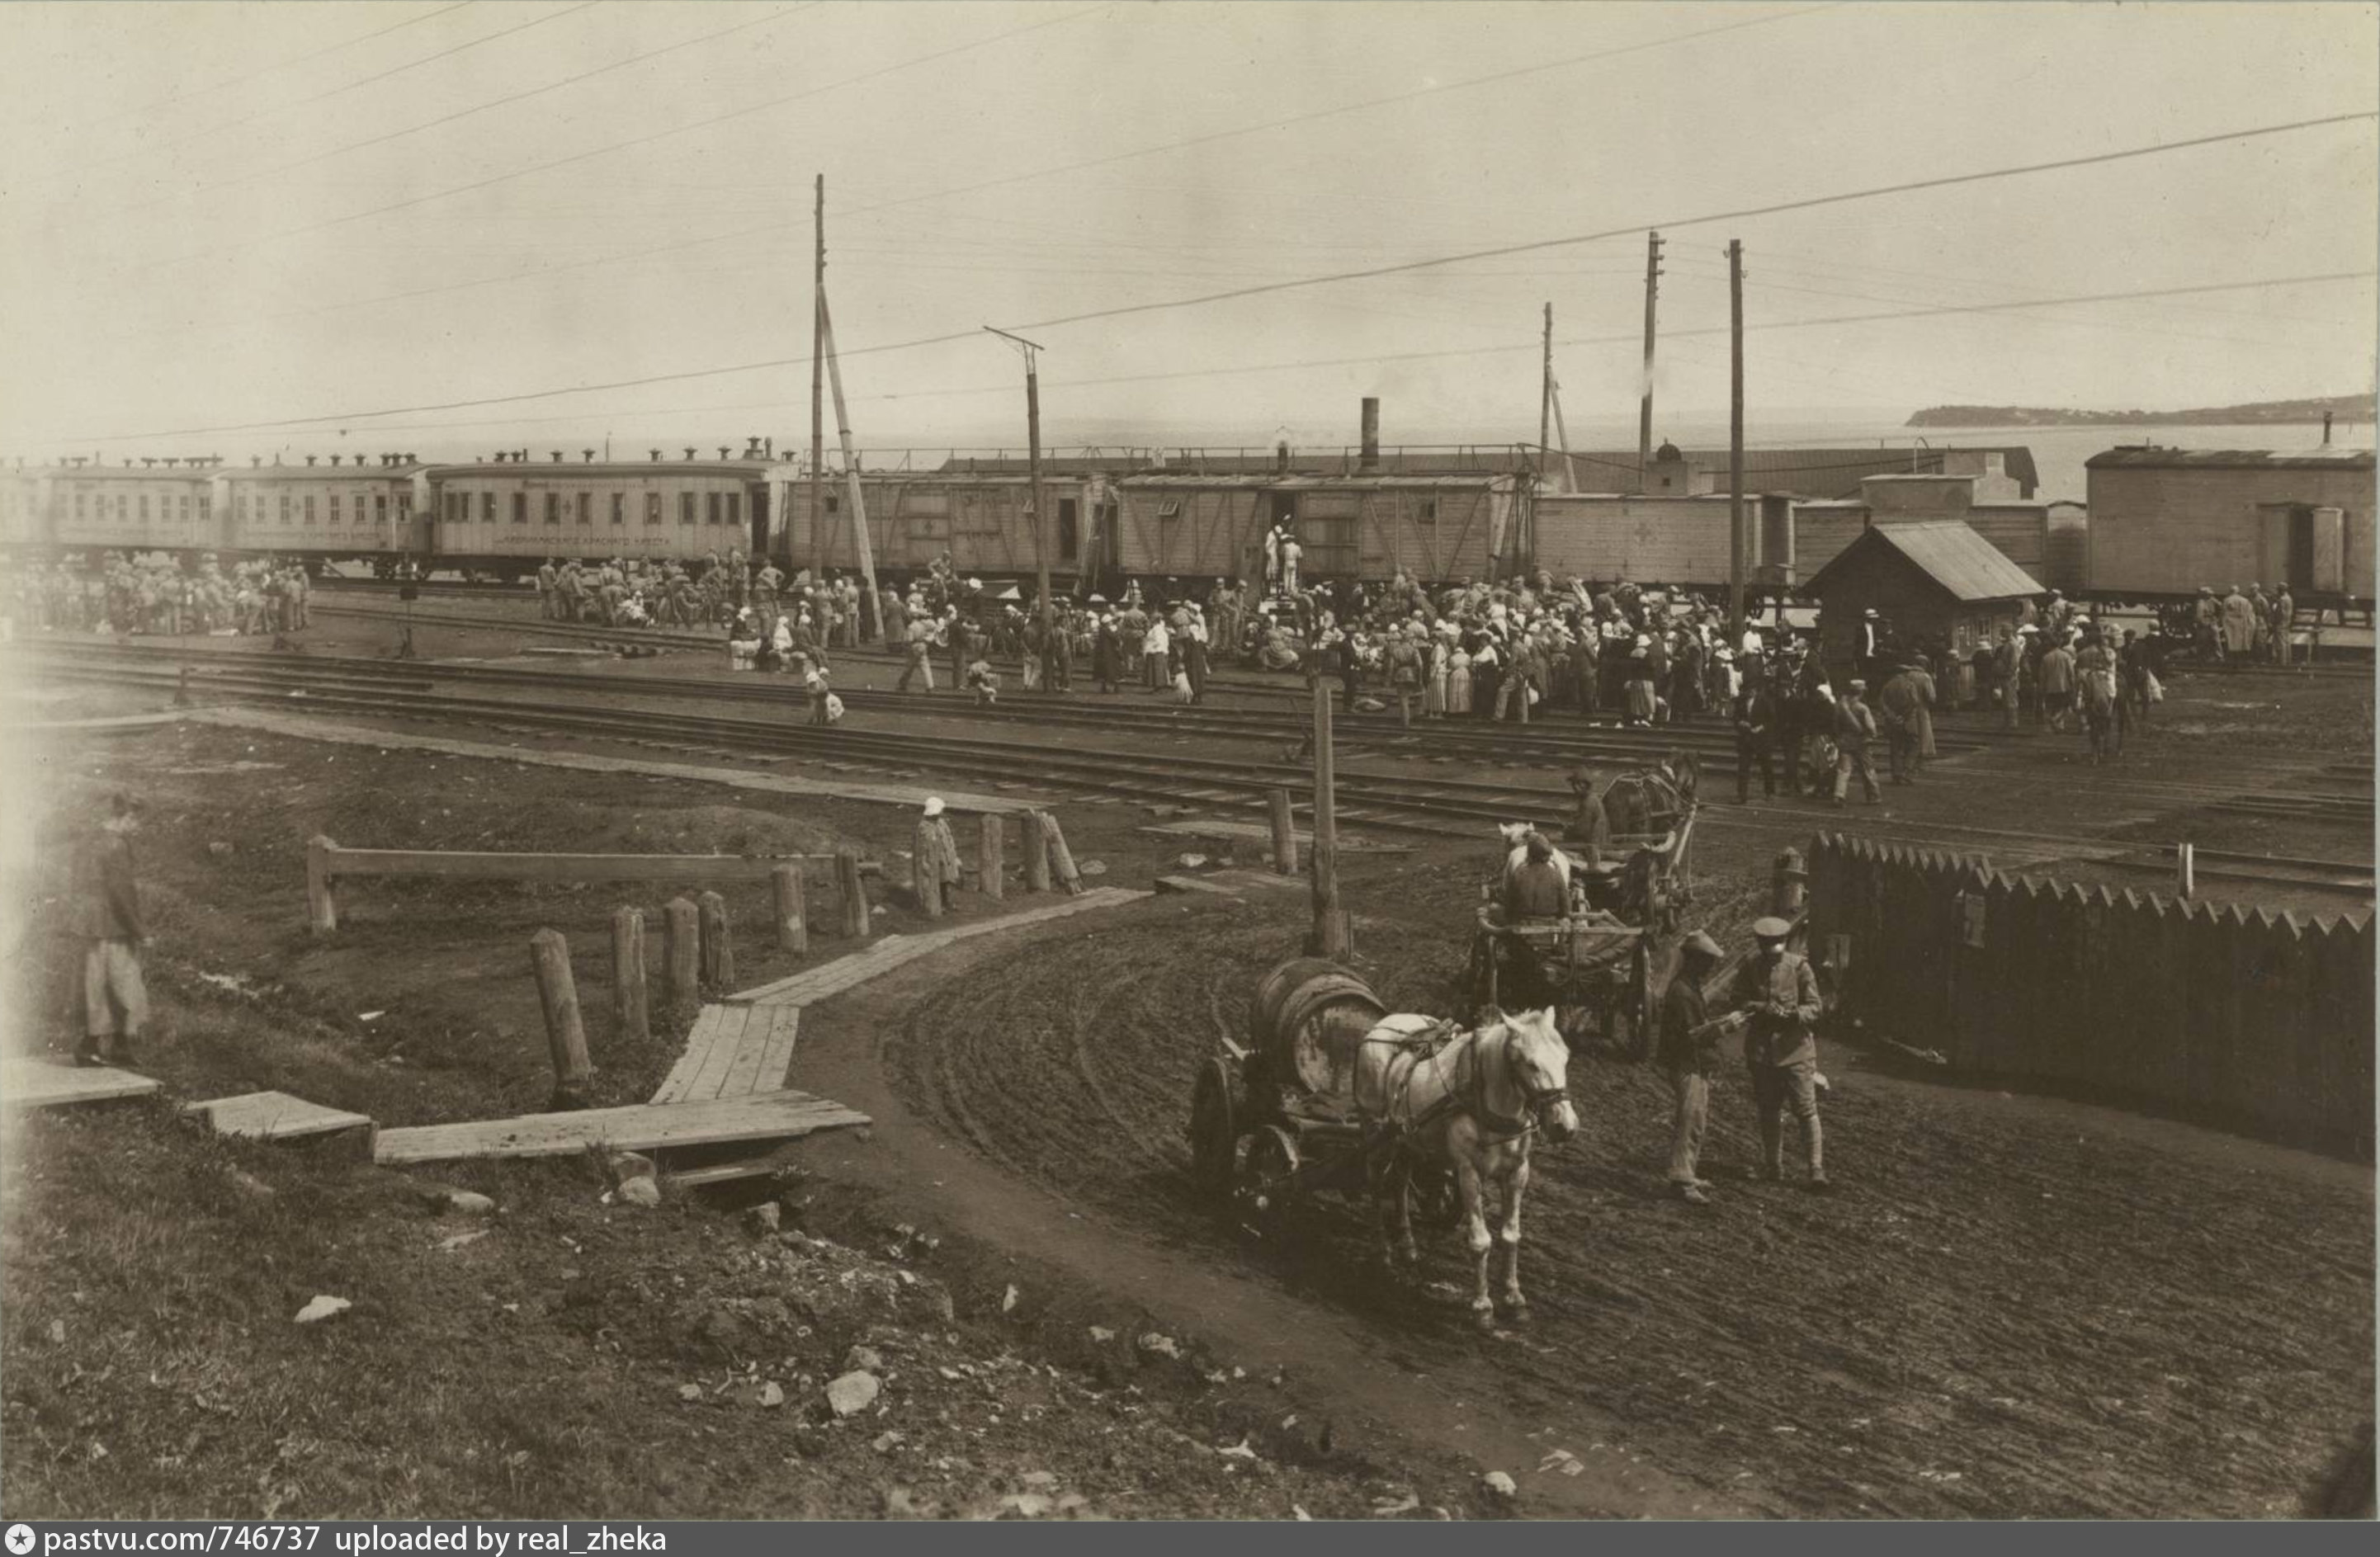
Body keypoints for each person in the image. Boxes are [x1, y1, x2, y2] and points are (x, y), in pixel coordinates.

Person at [1727, 917, 1828, 1190]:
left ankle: (1815, 1169)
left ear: (1784, 943)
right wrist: (1760, 1007)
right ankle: (1774, 1166)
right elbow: (1736, 1000)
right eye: (1766, 945)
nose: (1771, 950)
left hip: (1796, 1050)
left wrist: (1793, 1015)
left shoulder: (1799, 967)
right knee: (1769, 1111)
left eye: (1776, 945)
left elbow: (1816, 1007)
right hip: (1762, 1053)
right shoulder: (1750, 967)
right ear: (1759, 943)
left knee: (1806, 1110)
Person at [73, 792, 149, 1067]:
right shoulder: (116, 846)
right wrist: (139, 930)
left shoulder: (93, 839)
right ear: (125, 817)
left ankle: (117, 1046)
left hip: (93, 924)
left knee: (98, 983)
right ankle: (93, 1046)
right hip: (113, 926)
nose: (138, 827)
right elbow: (121, 891)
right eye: (136, 820)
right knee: (123, 983)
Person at [1659, 931, 1729, 1204]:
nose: (1710, 967)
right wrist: (1726, 1027)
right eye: (1707, 961)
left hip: (1692, 1061)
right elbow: (1694, 1034)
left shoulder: (1689, 986)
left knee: (1696, 1120)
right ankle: (1681, 1180)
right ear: (1695, 961)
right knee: (1689, 1121)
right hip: (1687, 1062)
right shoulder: (1682, 992)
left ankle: (1688, 1172)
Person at [1830, 678, 1881, 807]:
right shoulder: (1862, 708)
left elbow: (1835, 726)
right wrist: (1873, 735)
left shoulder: (1839, 706)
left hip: (1844, 740)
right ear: (1861, 692)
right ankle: (1873, 795)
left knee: (1843, 770)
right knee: (1868, 769)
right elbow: (1871, 727)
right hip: (1861, 742)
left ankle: (1839, 795)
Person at [914, 797, 961, 912]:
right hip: (935, 859)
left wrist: (954, 855)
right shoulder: (924, 826)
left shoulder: (942, 823)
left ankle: (948, 902)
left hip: (947, 857)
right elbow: (924, 846)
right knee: (937, 881)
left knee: (948, 880)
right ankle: (938, 904)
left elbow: (949, 839)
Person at [1732, 680, 1775, 804]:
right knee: (1743, 767)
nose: (1750, 692)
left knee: (1766, 766)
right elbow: (1736, 717)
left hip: (1761, 739)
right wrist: (1740, 723)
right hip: (1746, 739)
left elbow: (1772, 719)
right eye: (1747, 690)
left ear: (1756, 691)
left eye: (1752, 690)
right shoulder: (1740, 702)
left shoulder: (1764, 701)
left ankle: (1770, 792)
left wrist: (1761, 727)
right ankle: (1742, 795)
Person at [1565, 766, 1611, 870]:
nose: (1575, 788)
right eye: (1574, 784)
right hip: (1598, 841)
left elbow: (1582, 831)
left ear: (1585, 785)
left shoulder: (1588, 803)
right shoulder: (1593, 798)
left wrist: (1568, 830)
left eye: (1577, 784)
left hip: (1592, 846)